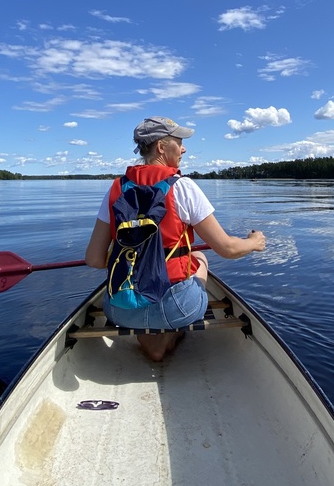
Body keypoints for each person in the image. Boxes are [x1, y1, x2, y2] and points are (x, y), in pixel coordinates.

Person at [84, 116, 266, 361]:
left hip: (120, 310)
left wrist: (134, 261)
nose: (184, 148)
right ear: (161, 147)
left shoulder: (115, 189)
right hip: (175, 310)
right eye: (179, 142)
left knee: (152, 286)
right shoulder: (183, 187)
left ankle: (150, 339)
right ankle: (167, 336)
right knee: (199, 257)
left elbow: (94, 259)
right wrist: (254, 242)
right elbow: (228, 249)